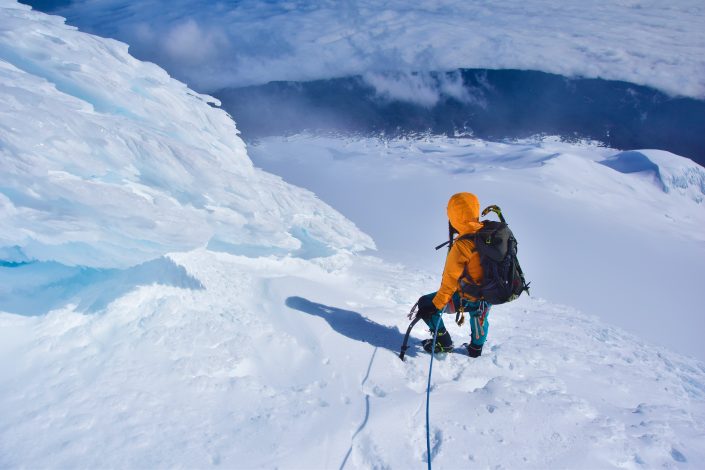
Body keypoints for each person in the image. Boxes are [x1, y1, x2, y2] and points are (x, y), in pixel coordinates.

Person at [416, 192, 490, 357]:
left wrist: (434, 306)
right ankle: (476, 349)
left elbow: (449, 283)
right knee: (480, 313)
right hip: (490, 292)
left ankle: (444, 343)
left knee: (425, 303)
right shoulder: (489, 234)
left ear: (453, 214)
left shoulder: (463, 244)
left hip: (467, 296)